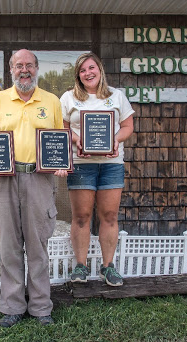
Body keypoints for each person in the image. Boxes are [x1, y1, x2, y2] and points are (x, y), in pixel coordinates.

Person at [0, 49, 67, 327]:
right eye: (19, 65)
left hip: (40, 179)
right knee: (8, 245)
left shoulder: (52, 101)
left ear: (37, 68)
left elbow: (59, 138)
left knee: (38, 244)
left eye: (29, 65)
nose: (24, 70)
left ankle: (42, 308)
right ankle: (12, 306)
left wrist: (61, 161)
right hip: (4, 180)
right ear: (11, 70)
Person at [60, 52, 134, 286]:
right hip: (81, 164)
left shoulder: (116, 96)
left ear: (99, 70)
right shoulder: (69, 98)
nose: (87, 73)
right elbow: (61, 127)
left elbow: (127, 125)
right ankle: (80, 266)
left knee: (109, 216)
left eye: (91, 68)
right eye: (82, 70)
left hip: (111, 165)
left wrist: (115, 140)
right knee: (81, 217)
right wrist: (76, 140)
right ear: (78, 75)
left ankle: (107, 266)